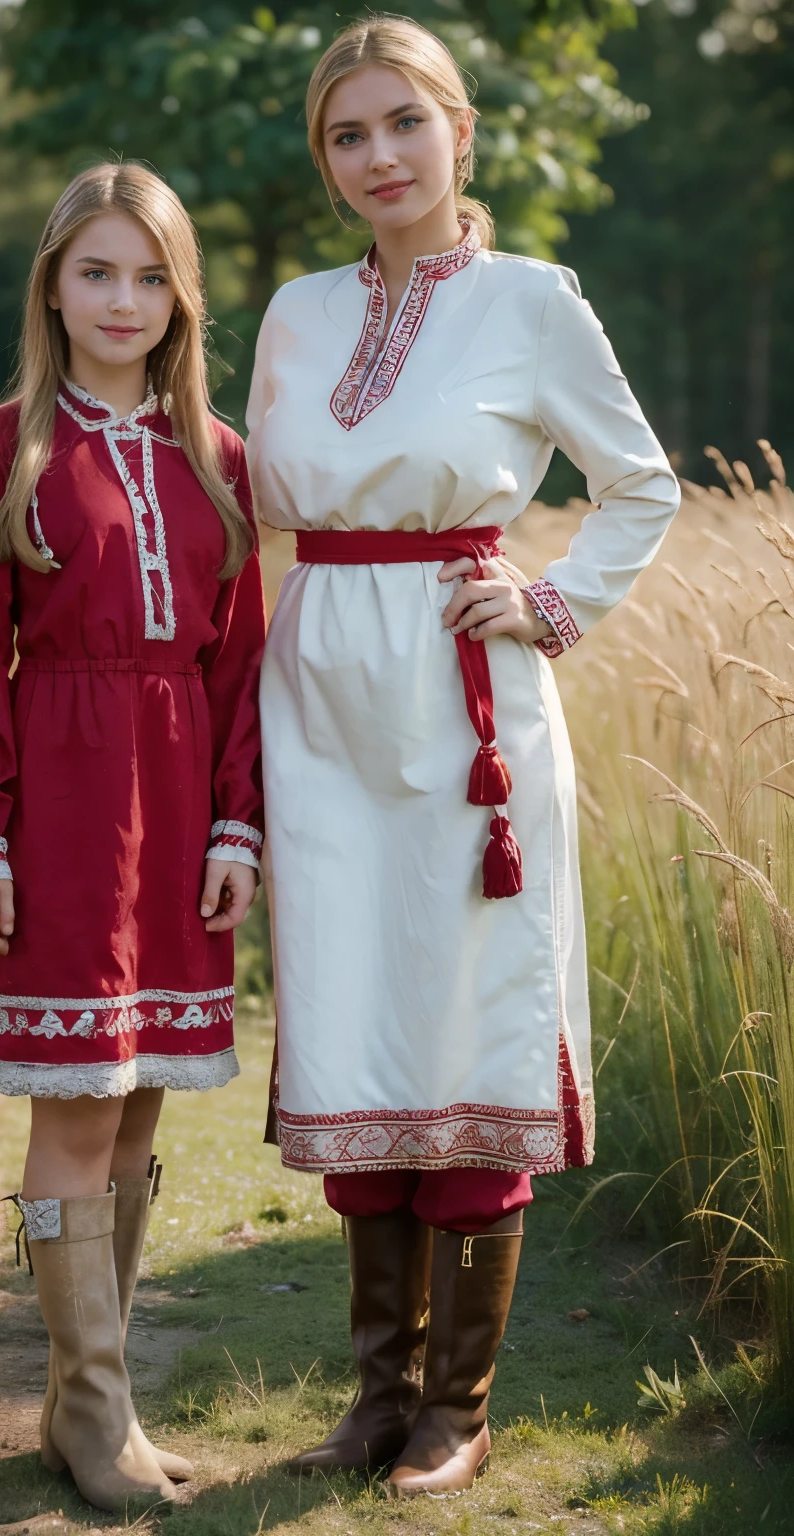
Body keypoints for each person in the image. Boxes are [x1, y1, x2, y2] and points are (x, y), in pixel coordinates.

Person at [247, 16, 679, 1497]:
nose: (376, 157)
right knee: (359, 1014)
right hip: (316, 703)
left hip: (462, 701)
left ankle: (459, 1404)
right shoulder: (296, 312)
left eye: (401, 125)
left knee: (466, 1015)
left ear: (461, 132)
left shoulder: (530, 302)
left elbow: (642, 485)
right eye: (346, 135)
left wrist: (548, 602)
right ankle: (375, 1397)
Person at [0, 161, 264, 1512]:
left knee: (136, 1117)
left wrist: (240, 820)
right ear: (52, 285)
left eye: (150, 276)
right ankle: (98, 1416)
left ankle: (86, 1406)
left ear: (182, 298)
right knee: (77, 1113)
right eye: (95, 272)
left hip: (181, 808)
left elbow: (241, 665)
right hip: (59, 803)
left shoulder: (221, 460)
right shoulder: (3, 447)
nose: (123, 301)